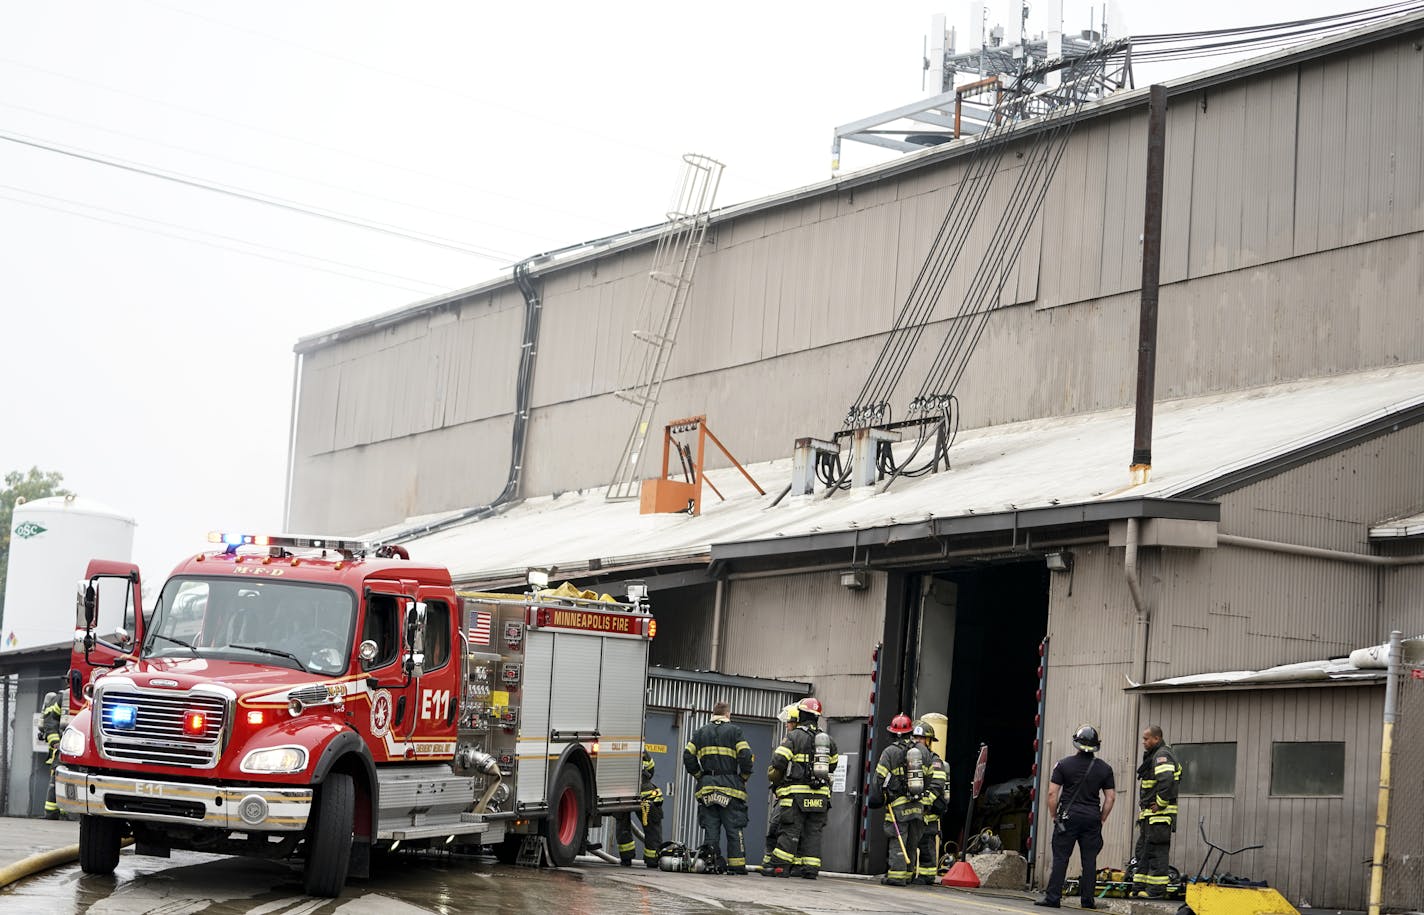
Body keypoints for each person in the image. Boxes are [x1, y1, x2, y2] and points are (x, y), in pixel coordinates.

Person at [1036, 724, 1116, 909]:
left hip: (1068, 817)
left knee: (1061, 857)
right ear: (1097, 745)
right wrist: (1102, 818)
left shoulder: (1063, 765)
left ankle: (1053, 898)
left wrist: (1054, 814)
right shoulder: (1105, 768)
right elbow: (1110, 797)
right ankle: (1087, 901)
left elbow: (1051, 794)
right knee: (1089, 860)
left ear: (1076, 743)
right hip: (1092, 819)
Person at [766, 696, 838, 879]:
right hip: (820, 796)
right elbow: (833, 765)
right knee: (813, 833)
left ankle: (780, 867)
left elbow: (779, 760)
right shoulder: (827, 739)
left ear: (802, 714)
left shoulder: (794, 736)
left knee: (790, 830)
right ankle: (810, 869)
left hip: (796, 795)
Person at [683, 701, 754, 874]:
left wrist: (700, 776)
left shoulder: (700, 732)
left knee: (711, 829)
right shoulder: (735, 731)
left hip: (707, 787)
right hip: (730, 786)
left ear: (713, 714)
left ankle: (710, 863)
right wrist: (743, 777)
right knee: (733, 828)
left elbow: (688, 755)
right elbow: (746, 756)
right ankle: (736, 866)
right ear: (728, 714)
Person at [869, 713, 925, 886]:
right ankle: (909, 875)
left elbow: (879, 778)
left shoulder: (889, 752)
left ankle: (897, 876)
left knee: (898, 839)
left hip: (898, 805)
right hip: (917, 805)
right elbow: (931, 778)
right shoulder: (921, 751)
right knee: (912, 840)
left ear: (893, 733)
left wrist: (877, 797)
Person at [1132, 725, 1180, 899]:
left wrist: (1160, 804)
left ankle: (1156, 891)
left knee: (1157, 852)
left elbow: (1166, 780)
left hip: (1159, 816)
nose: (1143, 742)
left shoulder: (1162, 756)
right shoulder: (1154, 755)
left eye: (1146, 739)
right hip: (1150, 817)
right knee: (1143, 851)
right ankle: (1139, 887)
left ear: (1157, 739)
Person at [760, 703, 799, 876]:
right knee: (777, 829)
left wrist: (772, 774)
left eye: (788, 721)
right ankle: (771, 863)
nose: (786, 724)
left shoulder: (792, 740)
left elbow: (776, 768)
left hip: (789, 796)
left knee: (777, 828)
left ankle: (777, 865)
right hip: (788, 795)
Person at [912, 720, 950, 885]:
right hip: (914, 808)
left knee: (926, 842)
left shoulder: (935, 761)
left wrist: (925, 804)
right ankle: (910, 873)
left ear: (928, 741)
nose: (917, 741)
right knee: (911, 841)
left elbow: (937, 784)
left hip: (929, 810)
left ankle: (927, 875)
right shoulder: (911, 757)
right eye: (916, 737)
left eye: (921, 738)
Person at [614, 750, 663, 869]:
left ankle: (626, 859)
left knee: (623, 824)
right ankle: (652, 860)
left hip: (624, 793)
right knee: (652, 828)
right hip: (647, 794)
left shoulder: (616, 750)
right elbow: (651, 769)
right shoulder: (642, 750)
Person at [38, 691, 65, 820]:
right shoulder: (61, 699)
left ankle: (63, 813)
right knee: (57, 777)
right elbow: (50, 723)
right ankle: (51, 813)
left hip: (73, 745)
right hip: (62, 748)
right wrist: (56, 742)